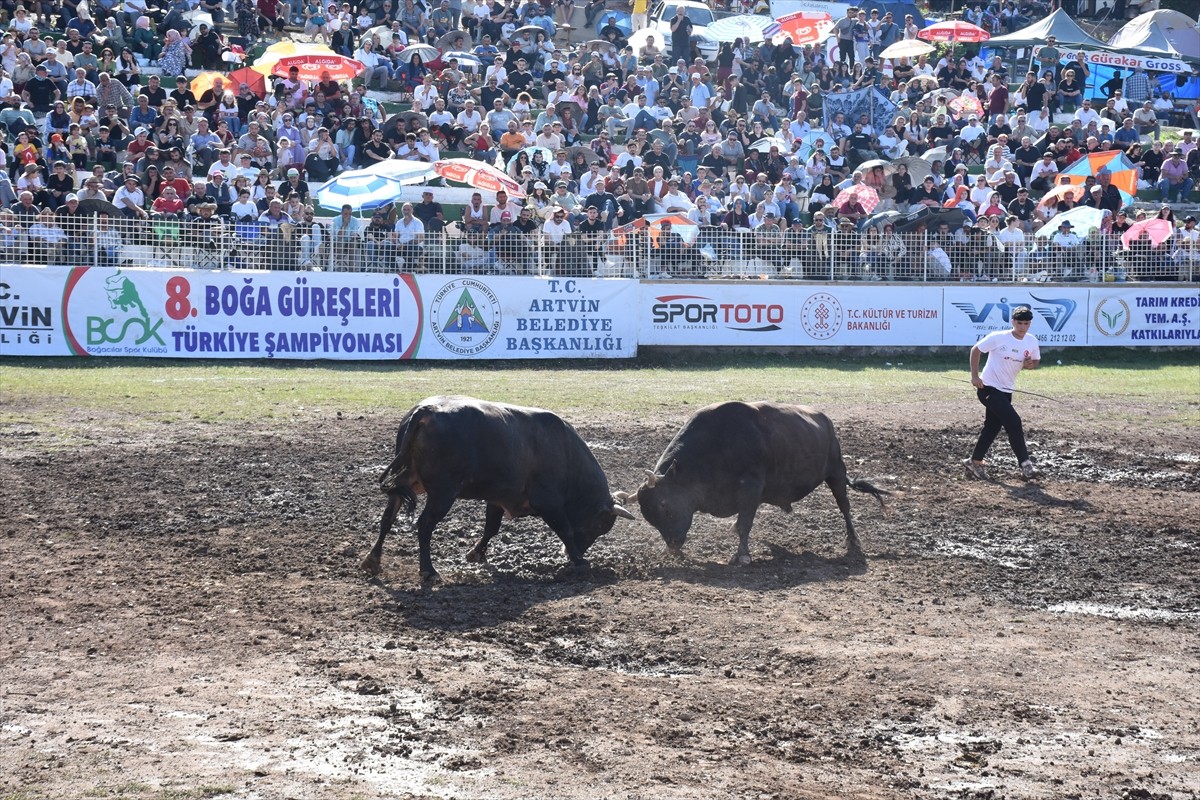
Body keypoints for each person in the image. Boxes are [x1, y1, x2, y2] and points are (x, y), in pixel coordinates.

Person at [964, 305, 1040, 481]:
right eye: (1019, 323)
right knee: (1014, 421)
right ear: (1012, 322)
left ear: (1030, 324)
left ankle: (974, 461)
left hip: (1006, 390)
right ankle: (1026, 465)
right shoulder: (999, 337)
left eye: (1026, 323)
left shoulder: (1031, 341)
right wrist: (975, 377)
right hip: (988, 388)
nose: (1022, 327)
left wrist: (1031, 365)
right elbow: (976, 350)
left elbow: (1035, 361)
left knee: (992, 426)